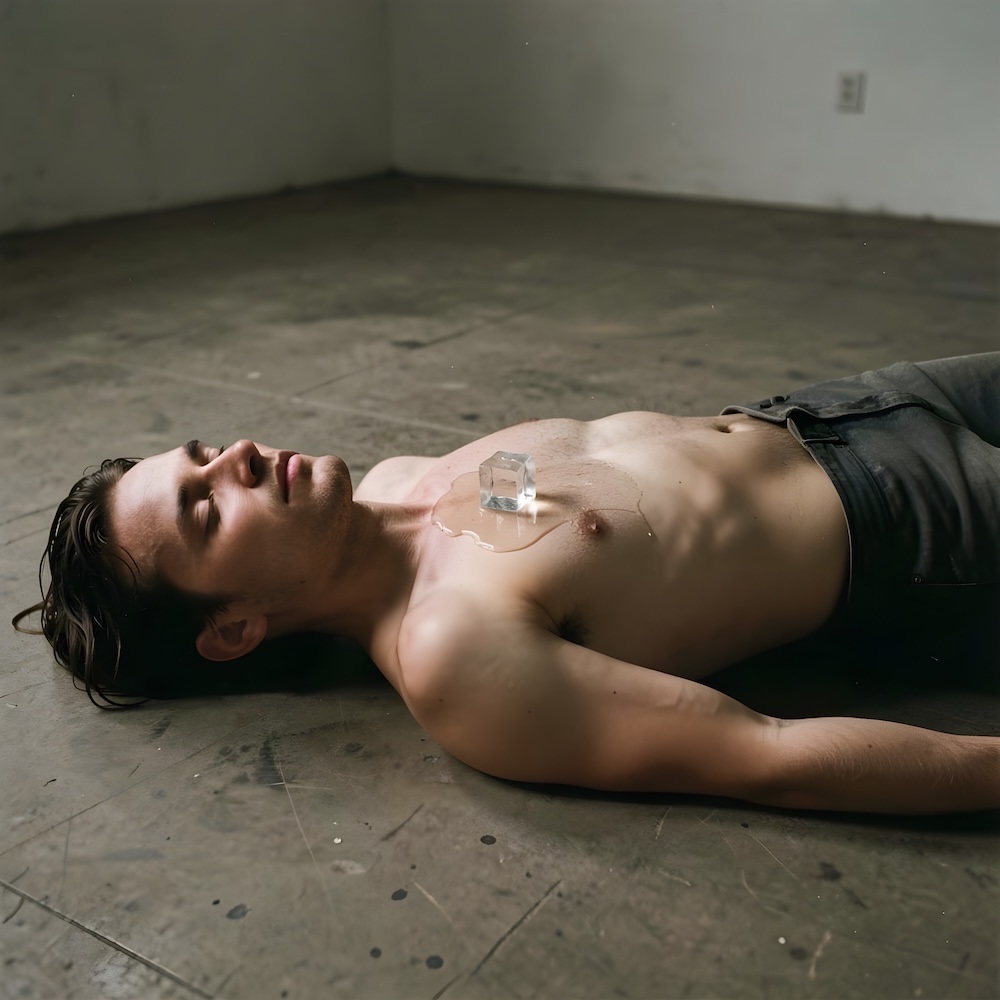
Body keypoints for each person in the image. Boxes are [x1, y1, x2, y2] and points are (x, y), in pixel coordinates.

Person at [15, 355, 1000, 814]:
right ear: (233, 628)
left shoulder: (407, 483)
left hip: (843, 407)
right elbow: (763, 753)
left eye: (200, 455)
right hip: (924, 520)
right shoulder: (454, 649)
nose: (234, 455)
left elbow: (582, 504)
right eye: (204, 508)